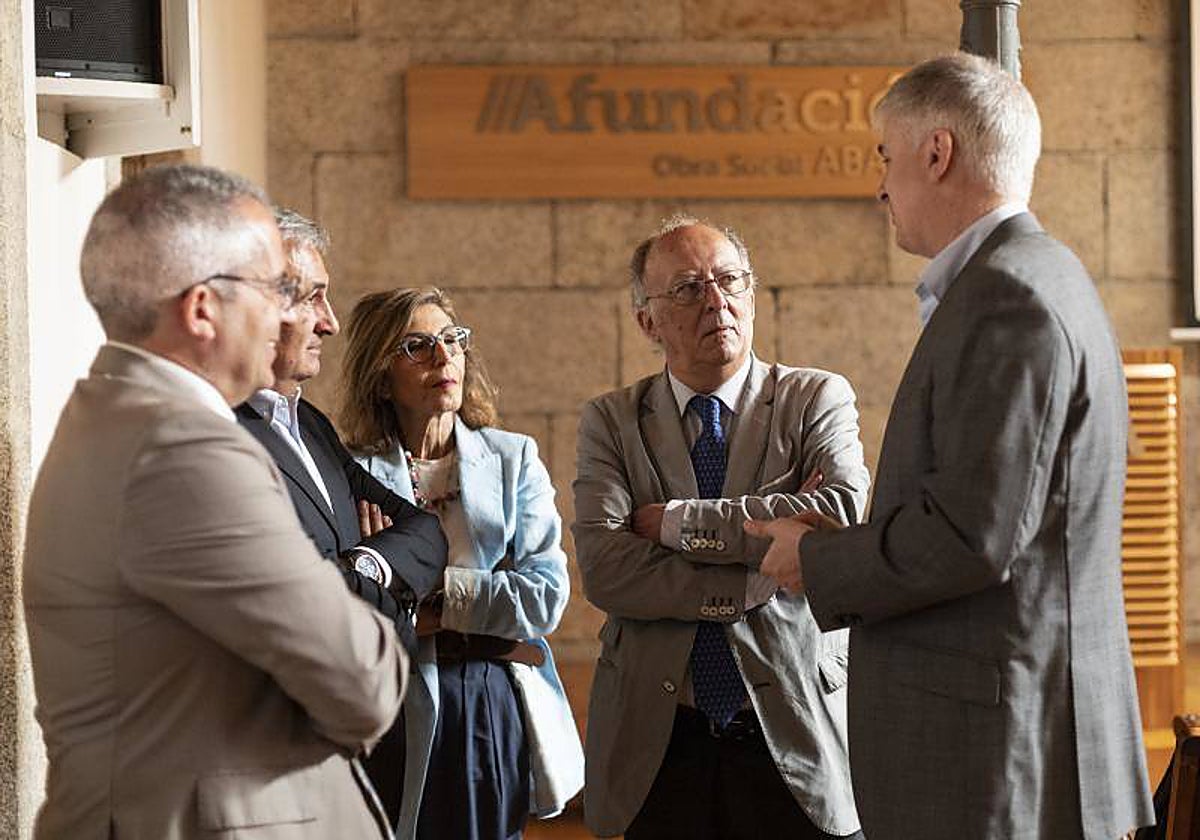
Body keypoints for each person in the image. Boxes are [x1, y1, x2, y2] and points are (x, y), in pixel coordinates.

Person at [746, 53, 1155, 839]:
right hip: (1010, 734)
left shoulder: (1009, 299)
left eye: (885, 158)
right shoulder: (1040, 276)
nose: (880, 188)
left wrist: (817, 561)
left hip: (995, 757)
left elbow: (973, 537)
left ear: (936, 153)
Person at [23, 164, 407, 839]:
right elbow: (364, 680)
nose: (295, 315)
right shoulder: (184, 448)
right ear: (202, 308)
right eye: (276, 288)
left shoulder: (113, 414)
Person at [573, 216, 869, 840]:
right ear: (647, 320)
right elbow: (608, 570)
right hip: (660, 742)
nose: (716, 300)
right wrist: (753, 576)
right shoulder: (610, 422)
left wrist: (675, 524)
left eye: (729, 280)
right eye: (687, 288)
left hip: (794, 730)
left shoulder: (815, 398)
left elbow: (839, 518)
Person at [338, 287, 582, 840]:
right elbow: (343, 600)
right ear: (380, 373)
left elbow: (544, 597)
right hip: (387, 699)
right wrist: (481, 595)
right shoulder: (350, 473)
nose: (443, 357)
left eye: (452, 340)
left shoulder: (511, 458)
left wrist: (424, 599)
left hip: (486, 699)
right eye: (417, 346)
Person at [233, 208, 449, 825]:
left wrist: (365, 562)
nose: (330, 323)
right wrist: (382, 582)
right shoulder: (216, 435)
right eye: (316, 298)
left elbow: (424, 530)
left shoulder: (310, 424)